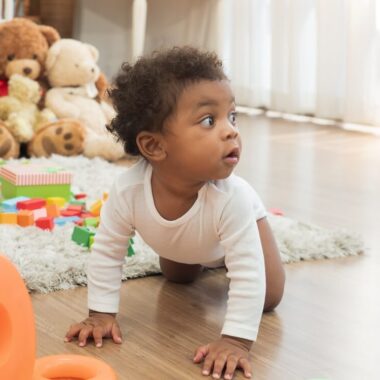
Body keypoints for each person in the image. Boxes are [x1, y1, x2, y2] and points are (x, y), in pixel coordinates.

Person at [65, 46, 285, 380]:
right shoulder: (128, 191)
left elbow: (249, 273)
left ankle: (218, 262)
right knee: (178, 276)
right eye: (209, 120)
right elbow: (107, 253)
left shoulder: (233, 198)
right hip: (187, 242)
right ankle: (200, 261)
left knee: (268, 296)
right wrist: (100, 314)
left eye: (233, 116)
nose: (231, 130)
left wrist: (236, 341)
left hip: (240, 228)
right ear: (154, 146)